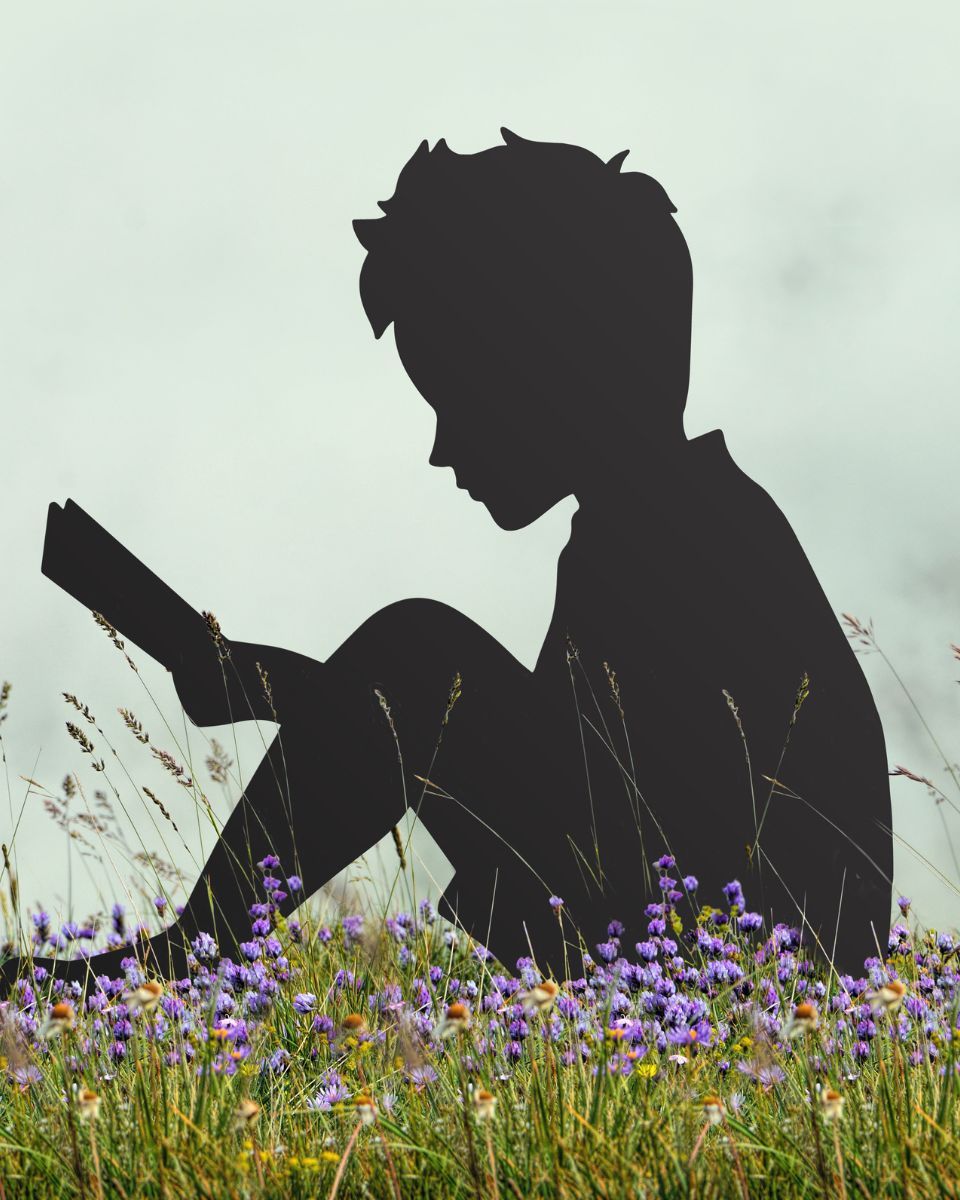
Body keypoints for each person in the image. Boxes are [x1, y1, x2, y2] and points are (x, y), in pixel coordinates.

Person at [3, 129, 893, 988]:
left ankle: (189, 961)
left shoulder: (680, 541)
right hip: (697, 952)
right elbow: (537, 777)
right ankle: (190, 956)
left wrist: (271, 687)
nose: (442, 447)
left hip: (733, 976)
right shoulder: (648, 529)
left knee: (418, 650)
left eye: (460, 398)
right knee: (417, 656)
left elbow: (500, 763)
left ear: (558, 369)